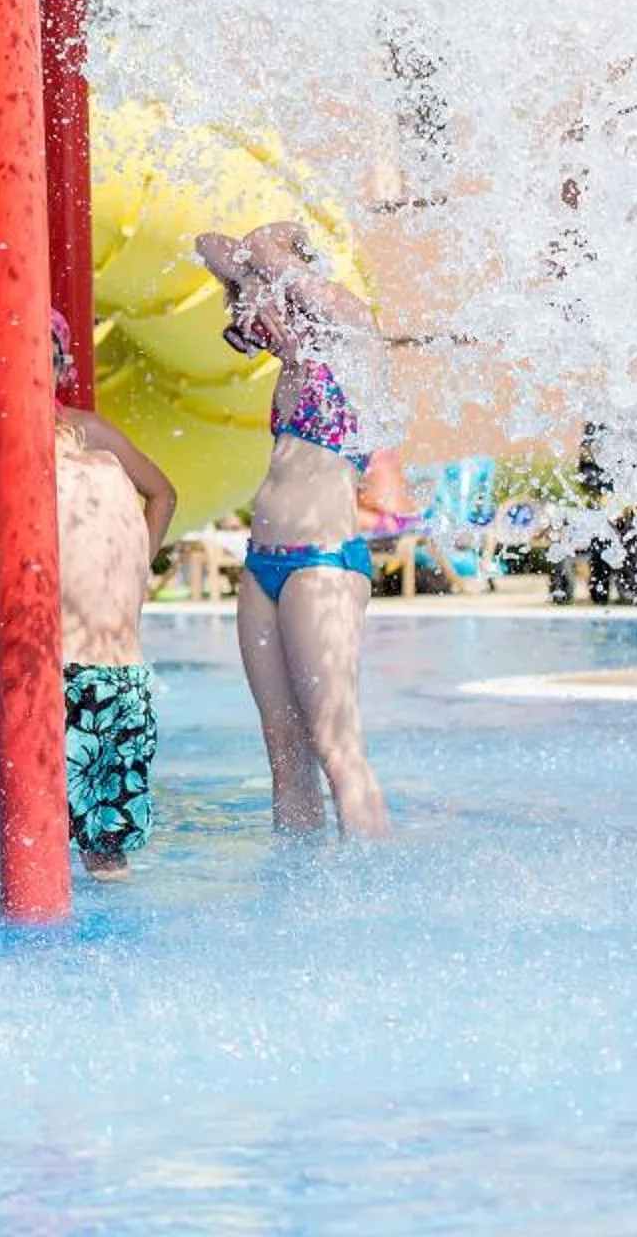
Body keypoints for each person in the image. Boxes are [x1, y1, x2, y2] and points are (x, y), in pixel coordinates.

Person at [0, 320, 178, 877]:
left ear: (63, 367)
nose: (37, 374)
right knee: (47, 828)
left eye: (48, 359)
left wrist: (137, 567)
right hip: (51, 665)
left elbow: (163, 493)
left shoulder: (93, 436)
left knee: (108, 847)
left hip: (120, 672)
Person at [198, 221, 394, 838]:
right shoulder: (290, 363)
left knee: (337, 748)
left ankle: (377, 894)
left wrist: (271, 264)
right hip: (264, 567)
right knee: (283, 753)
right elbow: (210, 244)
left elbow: (260, 247)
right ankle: (298, 894)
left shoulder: (357, 342)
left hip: (323, 561)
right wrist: (253, 283)